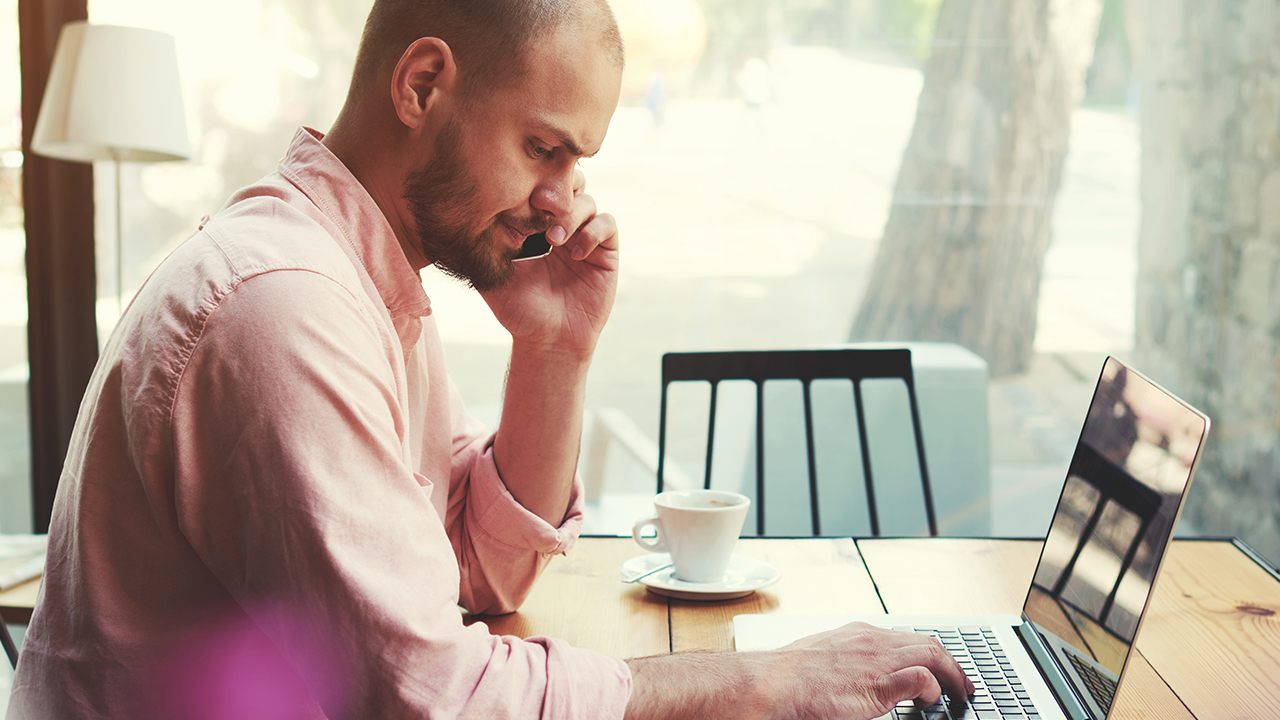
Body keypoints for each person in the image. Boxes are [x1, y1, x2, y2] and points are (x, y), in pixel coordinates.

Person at [7, 1, 974, 718]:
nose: (561, 202)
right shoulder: (286, 308)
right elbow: (433, 697)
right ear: (421, 86)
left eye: (575, 163)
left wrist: (553, 352)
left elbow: (473, 570)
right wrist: (764, 681)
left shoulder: (360, 272)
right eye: (542, 148)